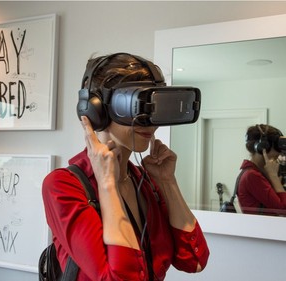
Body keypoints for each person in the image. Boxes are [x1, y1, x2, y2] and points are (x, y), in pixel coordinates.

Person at [42, 53, 209, 280]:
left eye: (153, 107)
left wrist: (167, 182)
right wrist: (107, 184)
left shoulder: (145, 181)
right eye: (135, 105)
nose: (149, 121)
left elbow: (194, 260)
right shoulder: (63, 186)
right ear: (96, 110)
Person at [237, 124, 286, 216]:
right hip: (263, 229)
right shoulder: (252, 175)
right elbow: (283, 210)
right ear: (264, 146)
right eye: (276, 145)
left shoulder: (254, 172)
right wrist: (274, 177)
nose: (279, 151)